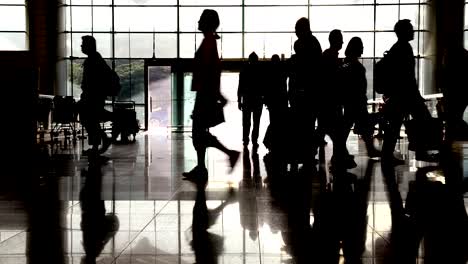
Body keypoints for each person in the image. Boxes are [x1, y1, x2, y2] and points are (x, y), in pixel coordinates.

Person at [182, 9, 240, 181]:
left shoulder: (208, 43)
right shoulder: (209, 42)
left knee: (199, 132)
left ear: (207, 23)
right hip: (206, 93)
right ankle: (203, 167)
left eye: (200, 19)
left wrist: (213, 94)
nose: (198, 22)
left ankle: (227, 155)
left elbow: (208, 72)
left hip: (205, 94)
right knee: (199, 132)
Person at [380, 20, 433, 163]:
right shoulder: (404, 48)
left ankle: (388, 155)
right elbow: (408, 76)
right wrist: (416, 94)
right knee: (423, 120)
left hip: (400, 95)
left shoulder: (397, 48)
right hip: (406, 95)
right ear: (404, 31)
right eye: (410, 29)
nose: (413, 31)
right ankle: (420, 150)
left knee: (395, 125)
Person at [341, 37, 381, 158]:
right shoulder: (354, 65)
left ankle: (341, 151)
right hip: (356, 101)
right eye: (361, 46)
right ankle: (369, 150)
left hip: (352, 101)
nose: (363, 48)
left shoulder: (346, 63)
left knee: (351, 126)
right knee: (361, 126)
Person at [79, 35, 111, 157]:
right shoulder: (95, 58)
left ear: (89, 46)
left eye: (83, 45)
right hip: (94, 96)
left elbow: (91, 81)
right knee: (91, 120)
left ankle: (97, 144)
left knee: (89, 119)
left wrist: (87, 92)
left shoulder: (93, 60)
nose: (81, 47)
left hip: (92, 97)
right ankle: (97, 144)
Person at [238, 51, 264, 151]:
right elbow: (263, 87)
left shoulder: (244, 70)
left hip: (247, 99)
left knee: (246, 121)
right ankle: (254, 140)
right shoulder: (260, 71)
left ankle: (245, 139)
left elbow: (240, 86)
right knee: (256, 122)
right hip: (257, 99)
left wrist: (239, 100)